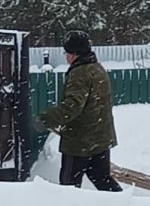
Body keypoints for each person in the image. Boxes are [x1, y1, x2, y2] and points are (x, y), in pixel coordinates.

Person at [34, 30, 122, 192]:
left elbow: (73, 105)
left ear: (74, 54)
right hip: (100, 138)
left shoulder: (79, 73)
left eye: (66, 52)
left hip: (80, 142)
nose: (65, 56)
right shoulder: (97, 68)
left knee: (69, 187)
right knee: (102, 179)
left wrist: (47, 118)